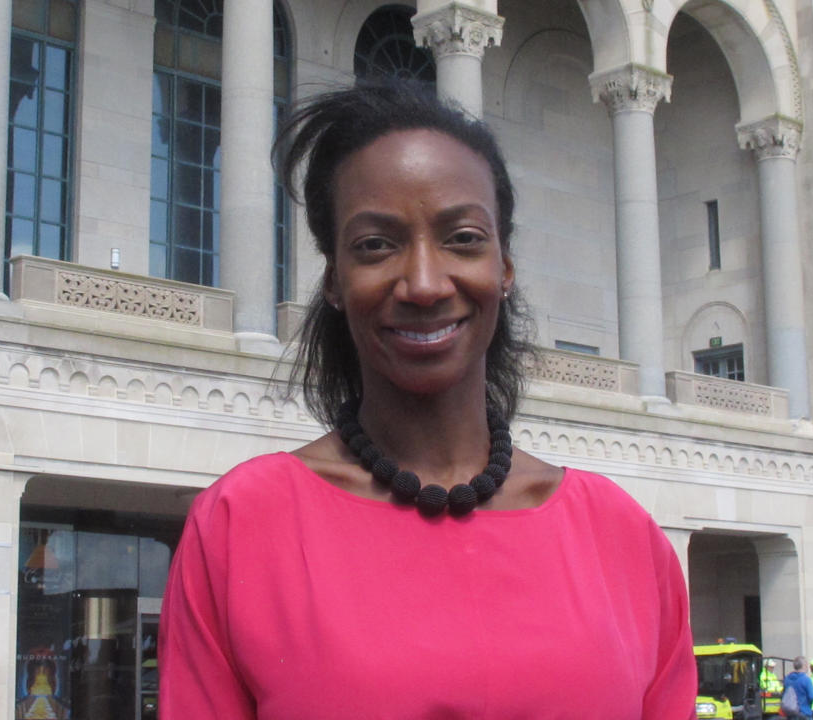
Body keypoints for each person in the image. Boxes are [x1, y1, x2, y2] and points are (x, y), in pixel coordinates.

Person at [158, 79, 697, 719]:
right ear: (334, 280)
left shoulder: (622, 538)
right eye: (376, 245)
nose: (422, 282)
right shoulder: (240, 526)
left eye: (463, 238)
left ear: (506, 267)